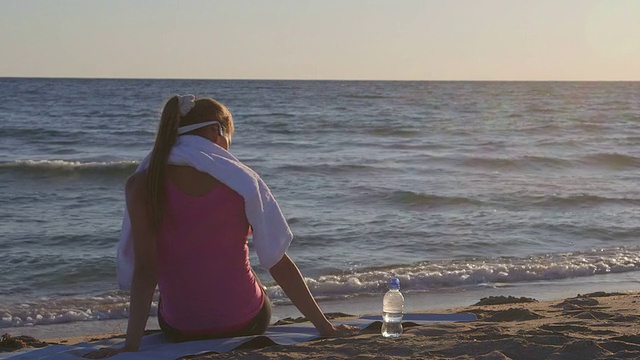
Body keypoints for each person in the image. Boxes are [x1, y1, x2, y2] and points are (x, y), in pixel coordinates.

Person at [85, 95, 358, 358]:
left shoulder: (142, 184)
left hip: (180, 329)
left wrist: (130, 346)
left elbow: (146, 270)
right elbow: (277, 262)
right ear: (217, 133)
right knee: (252, 277)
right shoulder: (241, 182)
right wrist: (325, 328)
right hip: (248, 321)